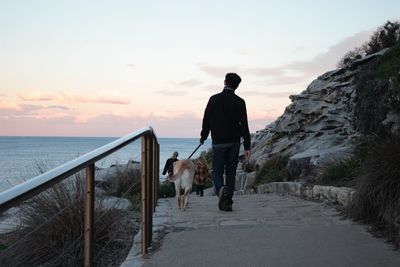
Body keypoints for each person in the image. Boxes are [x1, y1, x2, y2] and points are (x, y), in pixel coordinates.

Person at [200, 73, 251, 211]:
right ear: (237, 85)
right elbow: (244, 125)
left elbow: (207, 120)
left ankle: (221, 190)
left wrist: (203, 136)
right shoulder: (240, 102)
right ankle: (227, 202)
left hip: (218, 142)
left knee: (216, 172)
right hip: (234, 142)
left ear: (225, 82)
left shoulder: (214, 99)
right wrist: (247, 145)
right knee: (231, 173)